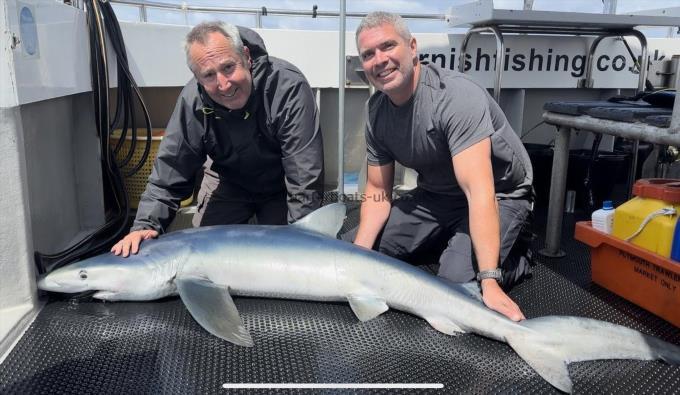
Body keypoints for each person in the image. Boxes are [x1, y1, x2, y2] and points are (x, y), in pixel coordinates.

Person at [352, 12, 534, 321]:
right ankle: (452, 240)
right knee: (361, 250)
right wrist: (357, 257)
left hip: (500, 194)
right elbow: (378, 191)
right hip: (436, 196)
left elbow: (479, 191)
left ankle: (518, 254)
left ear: (412, 47)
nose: (379, 60)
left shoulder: (455, 97)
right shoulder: (376, 112)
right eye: (368, 54)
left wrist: (489, 279)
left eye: (387, 46)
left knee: (454, 284)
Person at [112, 21, 323, 257]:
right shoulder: (193, 101)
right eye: (209, 75)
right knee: (201, 253)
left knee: (285, 251)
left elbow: (304, 177)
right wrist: (145, 226)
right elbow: (170, 170)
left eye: (228, 67)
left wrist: (303, 241)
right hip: (227, 182)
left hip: (281, 185)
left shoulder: (287, 86)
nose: (224, 85)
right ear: (197, 77)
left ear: (246, 56)